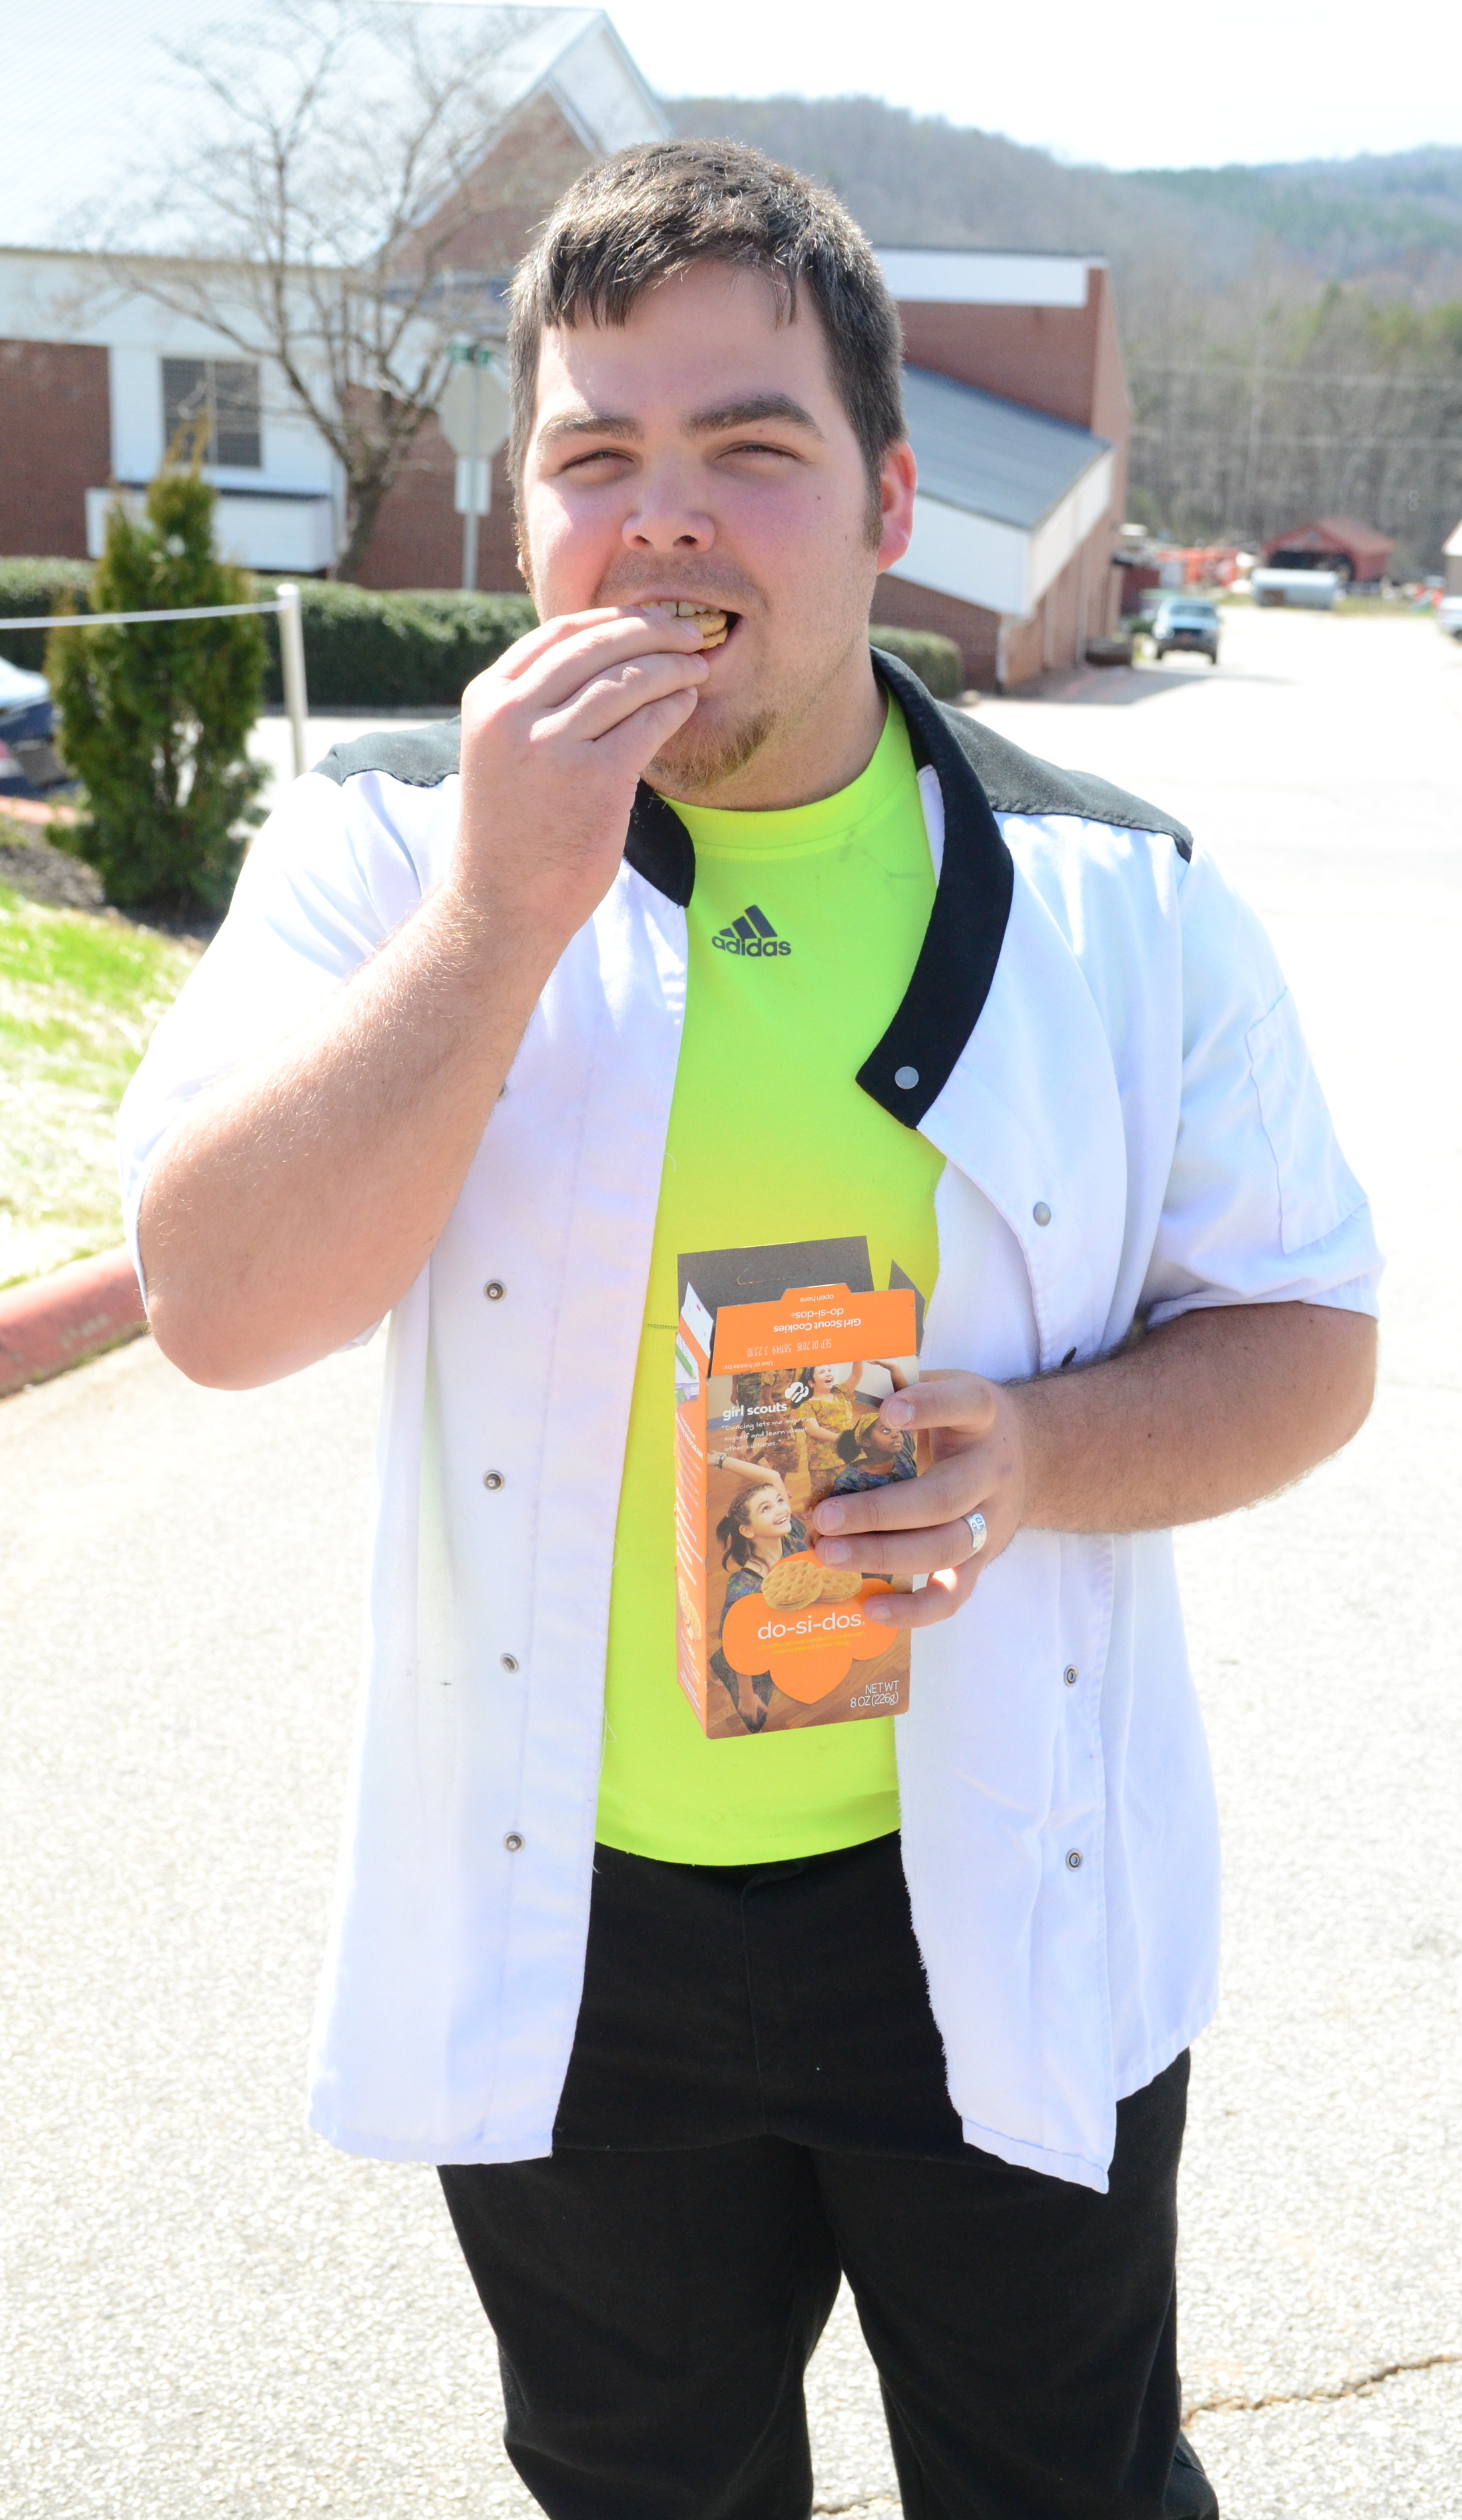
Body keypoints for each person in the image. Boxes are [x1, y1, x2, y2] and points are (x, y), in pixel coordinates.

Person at [119, 139, 1382, 2520]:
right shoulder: (389, 856)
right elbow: (215, 1303)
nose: (665, 518)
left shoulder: (1120, 902)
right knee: (645, 2487)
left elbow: (1310, 1331)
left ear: (893, 495)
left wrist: (1035, 1451)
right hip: (570, 1933)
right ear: (520, 522)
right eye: (596, 457)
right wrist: (506, 920)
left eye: (752, 448)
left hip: (1005, 1894)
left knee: (1065, 2483)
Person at [708, 1452, 808, 1730]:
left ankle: (717, 1665)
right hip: (756, 1656)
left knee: (723, 1660)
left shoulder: (792, 1536)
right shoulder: (744, 1587)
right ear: (748, 1531)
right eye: (766, 1509)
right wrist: (747, 1696)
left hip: (783, 1632)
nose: (781, 1509)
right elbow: (740, 1644)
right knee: (756, 1720)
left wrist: (718, 1460)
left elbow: (772, 1477)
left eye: (779, 1501)